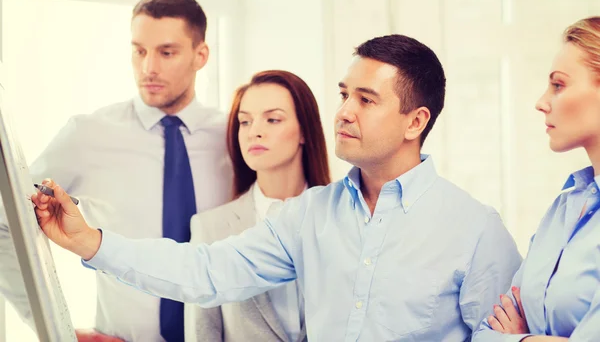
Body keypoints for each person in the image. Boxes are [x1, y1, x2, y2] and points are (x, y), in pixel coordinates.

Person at [32, 34, 523, 341]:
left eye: (366, 99)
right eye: (344, 95)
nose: (344, 112)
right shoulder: (309, 214)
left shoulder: (475, 231)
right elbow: (206, 271)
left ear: (415, 121)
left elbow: (500, 336)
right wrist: (90, 242)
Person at [1, 0, 232, 342]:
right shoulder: (88, 134)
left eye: (166, 52)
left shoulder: (235, 137)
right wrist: (53, 326)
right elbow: (7, 222)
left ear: (201, 55)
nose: (148, 68)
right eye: (139, 51)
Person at [473, 17, 600, 341]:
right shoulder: (565, 206)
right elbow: (485, 334)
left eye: (559, 85)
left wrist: (519, 337)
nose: (541, 102)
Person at [184, 70, 330, 342]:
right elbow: (202, 334)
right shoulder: (211, 228)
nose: (255, 132)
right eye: (245, 122)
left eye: (273, 119)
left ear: (304, 132)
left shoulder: (342, 219)